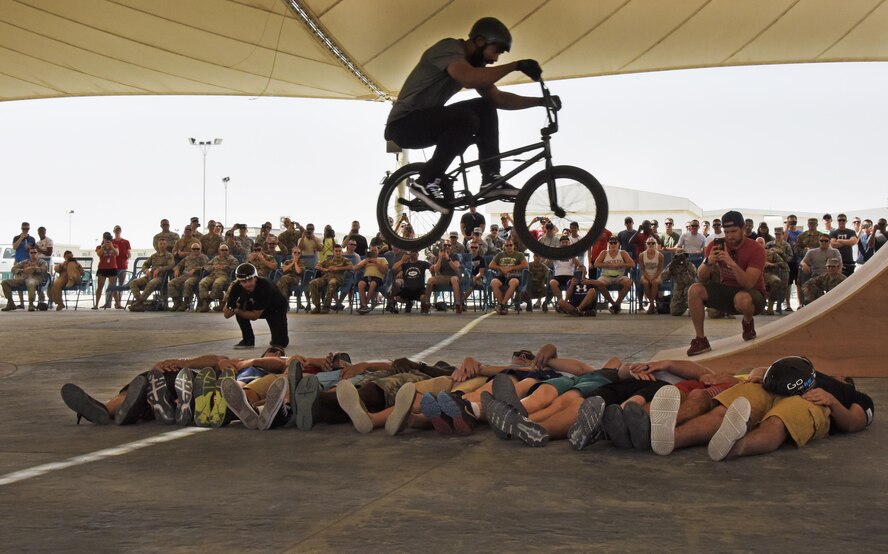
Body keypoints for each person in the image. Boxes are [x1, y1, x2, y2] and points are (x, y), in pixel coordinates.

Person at [383, 17, 556, 213]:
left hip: (427, 120)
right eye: (496, 51)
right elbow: (469, 79)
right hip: (404, 125)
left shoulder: (471, 67)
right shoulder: (449, 49)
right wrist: (515, 66)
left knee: (486, 105)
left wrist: (541, 102)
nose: (495, 59)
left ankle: (491, 177)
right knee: (466, 118)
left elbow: (498, 99)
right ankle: (426, 180)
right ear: (480, 41)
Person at [650, 356, 873, 461]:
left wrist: (832, 401)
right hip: (769, 387)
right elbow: (770, 367)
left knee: (778, 422)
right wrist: (760, 374)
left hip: (811, 401)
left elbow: (854, 422)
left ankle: (735, 447)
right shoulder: (807, 369)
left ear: (846, 381)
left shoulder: (855, 396)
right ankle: (672, 438)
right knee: (725, 410)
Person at [687, 210, 766, 356]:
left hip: (753, 295)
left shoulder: (756, 249)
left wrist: (732, 263)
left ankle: (748, 322)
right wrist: (708, 262)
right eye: (726, 232)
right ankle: (700, 339)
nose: (729, 236)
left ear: (744, 229)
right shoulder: (714, 246)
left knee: (742, 298)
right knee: (694, 289)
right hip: (727, 291)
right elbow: (701, 277)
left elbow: (748, 283)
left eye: (734, 231)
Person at [223, 263, 289, 349]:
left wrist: (236, 310)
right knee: (239, 309)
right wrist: (233, 306)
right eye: (243, 282)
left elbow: (255, 316)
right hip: (255, 305)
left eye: (250, 280)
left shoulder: (265, 286)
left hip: (275, 308)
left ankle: (279, 337)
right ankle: (248, 340)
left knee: (280, 343)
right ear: (239, 282)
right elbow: (226, 314)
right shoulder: (236, 287)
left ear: (255, 278)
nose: (247, 284)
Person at [128, 238, 176, 311]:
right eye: (160, 244)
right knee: (133, 283)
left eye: (164, 244)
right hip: (150, 276)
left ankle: (138, 303)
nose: (162, 246)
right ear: (158, 245)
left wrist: (160, 269)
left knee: (151, 283)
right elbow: (145, 265)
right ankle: (141, 304)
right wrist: (146, 270)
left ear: (166, 245)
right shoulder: (154, 256)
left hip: (160, 278)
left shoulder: (169, 256)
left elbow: (171, 265)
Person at [1, 246, 48, 311]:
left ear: (37, 253)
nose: (33, 254)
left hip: (35, 279)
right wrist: (23, 270)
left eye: (35, 252)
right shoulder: (24, 262)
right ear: (29, 254)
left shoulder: (42, 262)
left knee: (31, 282)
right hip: (23, 279)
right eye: (31, 253)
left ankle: (31, 304)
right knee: (5, 282)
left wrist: (34, 269)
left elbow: (44, 269)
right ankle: (11, 303)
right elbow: (13, 269)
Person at [489, 239, 528, 315]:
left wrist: (512, 268)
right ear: (504, 246)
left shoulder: (519, 254)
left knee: (514, 282)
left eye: (510, 245)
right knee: (493, 282)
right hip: (501, 276)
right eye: (507, 245)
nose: (509, 247)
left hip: (513, 275)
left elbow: (525, 265)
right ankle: (503, 306)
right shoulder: (500, 255)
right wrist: (501, 268)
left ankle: (502, 305)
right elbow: (491, 265)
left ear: (514, 246)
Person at [167, 243, 209, 311]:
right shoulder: (187, 258)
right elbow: (178, 265)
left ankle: (186, 302)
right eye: (194, 249)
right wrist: (177, 269)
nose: (196, 250)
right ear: (191, 250)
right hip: (185, 275)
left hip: (197, 276)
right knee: (171, 283)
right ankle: (176, 302)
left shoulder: (203, 257)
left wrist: (196, 269)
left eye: (197, 249)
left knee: (188, 283)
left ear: (200, 249)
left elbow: (207, 267)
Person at [355, 246, 389, 314]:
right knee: (360, 284)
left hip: (377, 278)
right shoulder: (366, 260)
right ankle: (365, 306)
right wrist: (365, 262)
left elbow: (385, 270)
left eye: (375, 250)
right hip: (367, 277)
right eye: (372, 251)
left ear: (378, 252)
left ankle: (365, 305)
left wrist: (376, 262)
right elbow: (355, 268)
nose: (373, 252)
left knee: (373, 284)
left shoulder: (382, 259)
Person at [105, 225, 132, 309]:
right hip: (112, 266)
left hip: (123, 266)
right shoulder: (111, 242)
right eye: (116, 230)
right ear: (114, 231)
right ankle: (108, 303)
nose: (117, 231)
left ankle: (118, 304)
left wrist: (128, 256)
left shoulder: (126, 241)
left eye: (119, 230)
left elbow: (129, 252)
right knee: (111, 285)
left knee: (121, 285)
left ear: (121, 231)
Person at [93, 233, 119, 310]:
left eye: (109, 239)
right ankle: (96, 304)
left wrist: (111, 246)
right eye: (106, 239)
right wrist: (103, 246)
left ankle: (117, 304)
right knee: (100, 287)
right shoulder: (99, 247)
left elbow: (117, 253)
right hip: (102, 268)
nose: (107, 240)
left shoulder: (115, 246)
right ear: (103, 239)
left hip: (112, 268)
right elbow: (98, 254)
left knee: (113, 287)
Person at [639, 237, 664, 314]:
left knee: (655, 282)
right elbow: (642, 269)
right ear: (646, 244)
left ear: (656, 244)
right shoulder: (642, 255)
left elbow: (660, 269)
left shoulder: (660, 255)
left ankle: (651, 306)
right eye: (649, 243)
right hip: (645, 274)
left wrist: (654, 277)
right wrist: (647, 277)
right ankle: (652, 304)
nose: (651, 245)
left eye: (653, 243)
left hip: (656, 274)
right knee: (646, 283)